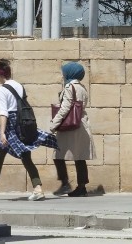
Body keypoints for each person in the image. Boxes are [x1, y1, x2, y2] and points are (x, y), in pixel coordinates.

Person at [0, 59, 43, 202]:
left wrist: (2, 132)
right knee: (25, 155)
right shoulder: (19, 85)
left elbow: (4, 112)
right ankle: (37, 188)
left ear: (0, 76)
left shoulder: (2, 89)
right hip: (22, 123)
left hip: (10, 124)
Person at [47, 61, 94, 197]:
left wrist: (53, 124)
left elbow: (65, 108)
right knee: (79, 157)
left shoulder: (69, 87)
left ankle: (65, 183)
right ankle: (81, 186)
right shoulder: (82, 87)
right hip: (81, 125)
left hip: (70, 127)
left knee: (57, 154)